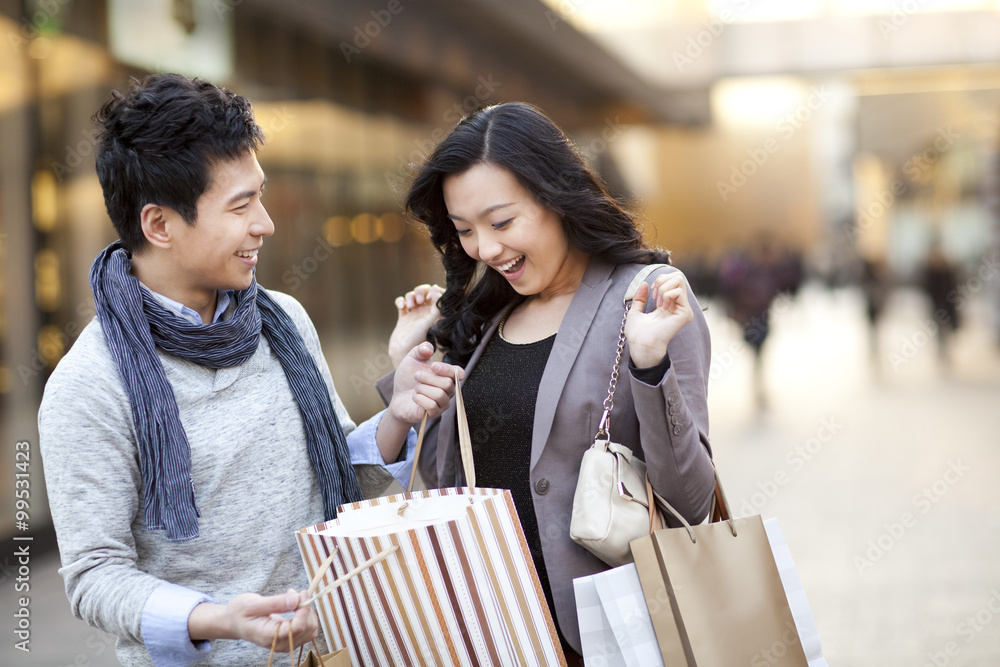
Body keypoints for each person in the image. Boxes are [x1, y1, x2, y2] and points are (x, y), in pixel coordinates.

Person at [37, 73, 461, 667]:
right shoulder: (90, 383)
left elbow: (335, 482)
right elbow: (94, 576)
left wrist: (398, 414)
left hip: (335, 652)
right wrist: (216, 619)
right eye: (241, 206)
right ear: (159, 225)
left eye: (259, 195)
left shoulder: (280, 321)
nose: (265, 222)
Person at [381, 102, 717, 662]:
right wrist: (406, 369)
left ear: (556, 197)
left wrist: (650, 364)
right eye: (465, 230)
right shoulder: (484, 314)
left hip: (607, 632)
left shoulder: (646, 299)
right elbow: (442, 478)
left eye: (502, 223)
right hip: (490, 628)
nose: (486, 250)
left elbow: (691, 500)